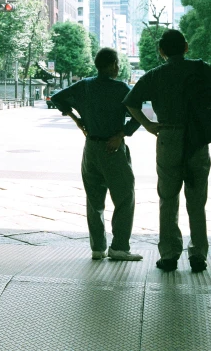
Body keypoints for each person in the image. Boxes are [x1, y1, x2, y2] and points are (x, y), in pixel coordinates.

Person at [123, 30, 211, 273]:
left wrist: (149, 125)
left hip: (168, 136)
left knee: (168, 198)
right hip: (197, 137)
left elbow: (131, 102)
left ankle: (170, 255)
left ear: (161, 51)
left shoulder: (155, 75)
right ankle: (198, 255)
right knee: (197, 198)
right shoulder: (201, 68)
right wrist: (206, 117)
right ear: (186, 47)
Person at [51, 47, 143, 262]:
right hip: (113, 148)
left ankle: (98, 248)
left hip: (90, 148)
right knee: (124, 197)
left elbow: (57, 98)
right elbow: (138, 114)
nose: (118, 67)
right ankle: (119, 247)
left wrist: (78, 121)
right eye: (117, 63)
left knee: (94, 200)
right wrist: (122, 134)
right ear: (112, 65)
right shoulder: (121, 89)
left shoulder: (84, 86)